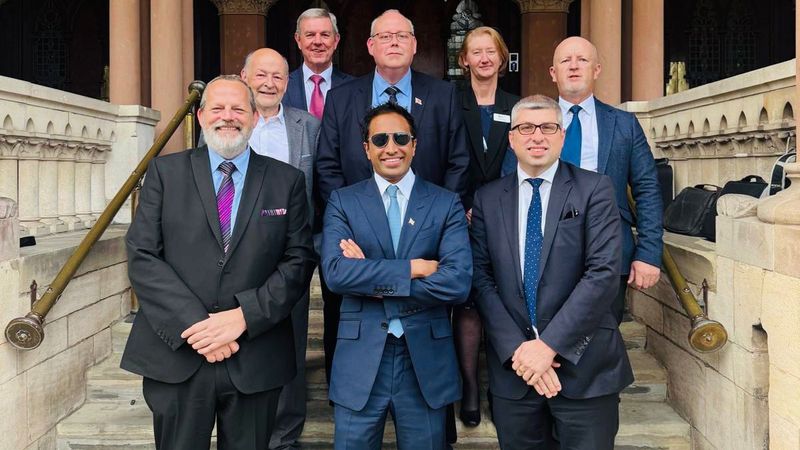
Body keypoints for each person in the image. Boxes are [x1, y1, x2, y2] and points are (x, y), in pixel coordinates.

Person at [121, 75, 316, 449]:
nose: (228, 116)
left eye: (239, 108)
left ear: (255, 117)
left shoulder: (286, 181)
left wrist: (244, 317)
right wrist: (198, 326)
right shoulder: (165, 173)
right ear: (201, 115)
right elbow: (143, 255)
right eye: (218, 108)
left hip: (256, 354)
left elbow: (298, 260)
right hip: (179, 354)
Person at [470, 95, 634, 449]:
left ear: (561, 136)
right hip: (515, 373)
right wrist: (520, 351)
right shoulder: (487, 198)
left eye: (547, 127)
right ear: (512, 138)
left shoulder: (595, 189)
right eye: (526, 128)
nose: (537, 137)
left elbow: (603, 274)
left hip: (585, 369)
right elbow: (481, 279)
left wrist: (549, 347)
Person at [316, 8, 469, 385]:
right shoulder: (341, 97)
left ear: (415, 45)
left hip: (426, 235)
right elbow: (327, 165)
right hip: (357, 236)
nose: (394, 42)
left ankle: (434, 402)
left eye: (402, 35)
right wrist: (354, 221)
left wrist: (438, 224)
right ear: (370, 46)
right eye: (385, 36)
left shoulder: (443, 93)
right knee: (347, 322)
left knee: (430, 336)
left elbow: (458, 160)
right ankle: (346, 395)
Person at [321, 102, 472, 449]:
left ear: (415, 145)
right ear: (366, 149)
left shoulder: (444, 203)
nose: (391, 147)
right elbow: (336, 274)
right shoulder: (343, 202)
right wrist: (412, 268)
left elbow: (457, 281)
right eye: (380, 139)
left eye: (401, 137)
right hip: (359, 362)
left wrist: (370, 279)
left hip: (425, 363)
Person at [550, 36, 663, 323]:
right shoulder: (533, 120)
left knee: (603, 341)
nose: (573, 67)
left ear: (597, 70)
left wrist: (649, 252)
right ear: (553, 73)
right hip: (545, 251)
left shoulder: (624, 124)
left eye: (583, 60)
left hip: (609, 249)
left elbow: (647, 188)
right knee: (549, 341)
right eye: (565, 61)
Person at [239, 47, 320, 450]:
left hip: (291, 250)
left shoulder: (308, 124)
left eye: (279, 77)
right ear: (244, 76)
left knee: (291, 340)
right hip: (235, 251)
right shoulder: (232, 123)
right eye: (262, 75)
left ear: (288, 83)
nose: (270, 83)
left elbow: (320, 184)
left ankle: (285, 432)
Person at [453, 26, 519, 427]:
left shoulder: (516, 105)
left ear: (501, 58)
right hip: (458, 217)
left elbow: (521, 156)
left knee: (504, 297)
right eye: (475, 52)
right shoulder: (449, 100)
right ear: (464, 60)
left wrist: (493, 207)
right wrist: (460, 206)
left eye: (490, 52)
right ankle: (469, 389)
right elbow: (445, 156)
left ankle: (501, 386)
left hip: (505, 215)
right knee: (468, 301)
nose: (483, 58)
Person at [284, 8, 354, 119]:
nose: (317, 42)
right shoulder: (282, 86)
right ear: (298, 40)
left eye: (325, 35)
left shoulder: (354, 88)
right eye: (310, 35)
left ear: (336, 41)